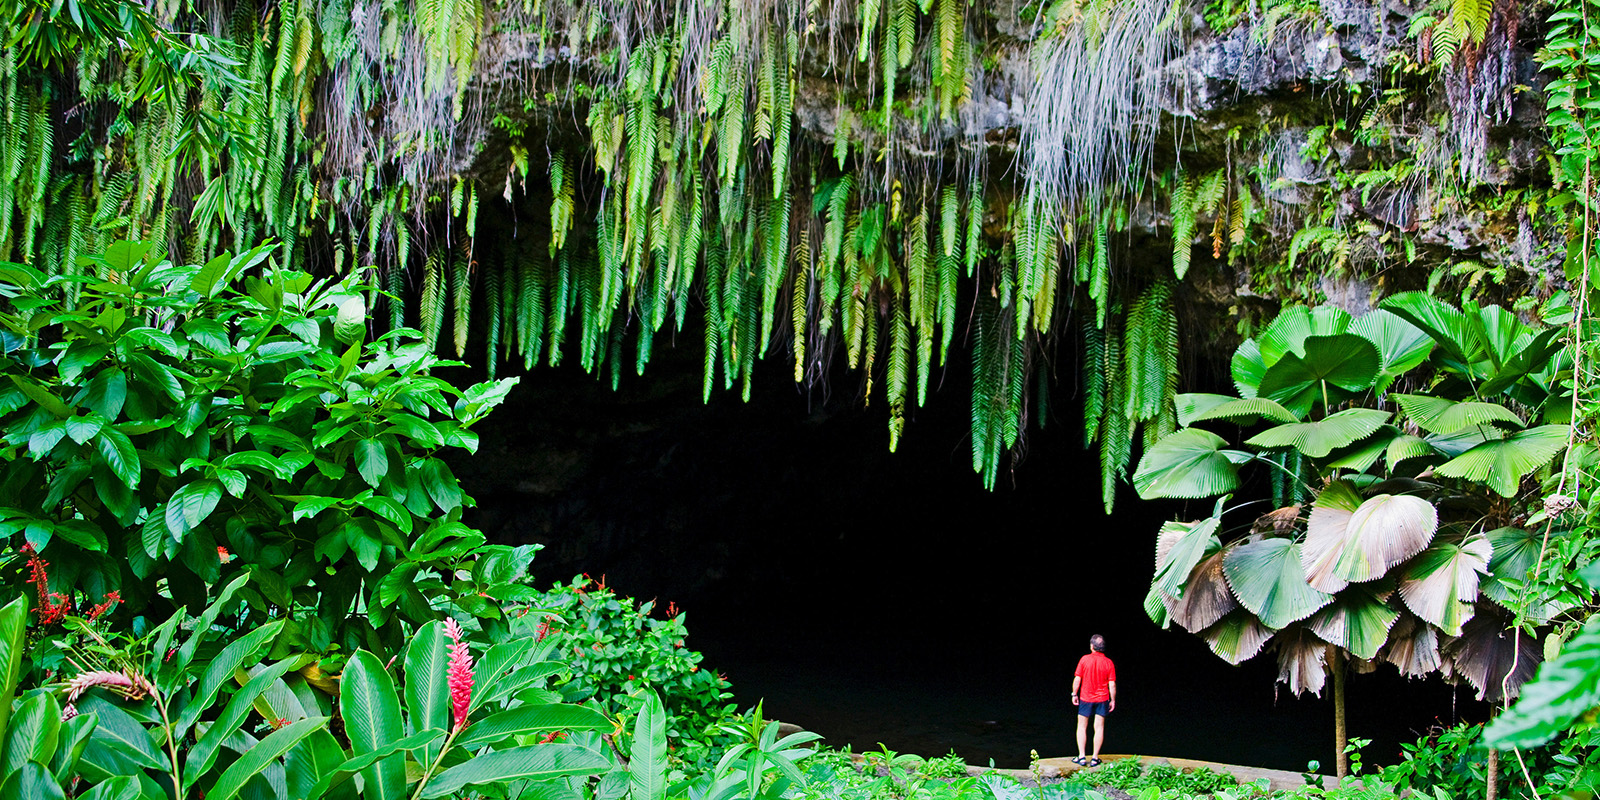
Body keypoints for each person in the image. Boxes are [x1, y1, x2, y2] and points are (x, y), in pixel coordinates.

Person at [1071, 633, 1116, 767]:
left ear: (1092, 646)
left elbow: (1077, 678)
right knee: (1099, 728)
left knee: (1082, 727)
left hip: (1086, 698)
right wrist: (1112, 700)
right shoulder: (1109, 662)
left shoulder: (1084, 659)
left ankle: (1082, 757)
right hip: (1102, 699)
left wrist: (1074, 694)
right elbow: (1112, 684)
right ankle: (1095, 758)